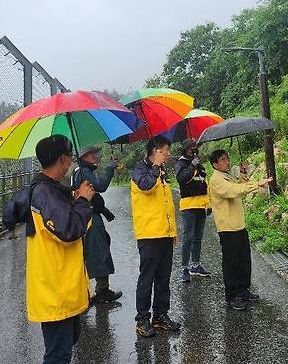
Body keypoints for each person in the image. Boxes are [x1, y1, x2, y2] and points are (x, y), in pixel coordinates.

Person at [27, 135, 95, 364]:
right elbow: (68, 230)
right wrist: (83, 201)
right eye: (71, 158)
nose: (72, 163)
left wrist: (76, 198)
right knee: (58, 354)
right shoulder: (45, 193)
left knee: (67, 342)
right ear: (63, 159)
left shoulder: (53, 189)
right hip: (56, 288)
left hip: (64, 284)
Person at [208, 150, 272, 310]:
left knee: (244, 261)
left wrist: (243, 173)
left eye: (227, 158)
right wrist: (256, 184)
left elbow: (238, 185)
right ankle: (232, 296)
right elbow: (233, 191)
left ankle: (243, 291)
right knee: (231, 263)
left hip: (239, 225)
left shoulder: (227, 176)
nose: (227, 162)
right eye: (223, 159)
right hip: (228, 228)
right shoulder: (216, 180)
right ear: (215, 164)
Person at [131, 135, 181, 338]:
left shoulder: (161, 171)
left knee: (163, 277)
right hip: (149, 234)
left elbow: (167, 203)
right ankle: (142, 319)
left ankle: (160, 316)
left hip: (165, 234)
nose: (168, 153)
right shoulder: (140, 170)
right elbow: (146, 186)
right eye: (166, 150)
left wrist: (173, 231)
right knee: (147, 278)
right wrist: (155, 167)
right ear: (156, 150)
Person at [72, 145, 122, 303]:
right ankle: (101, 291)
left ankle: (92, 291)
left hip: (87, 215)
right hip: (90, 217)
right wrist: (110, 168)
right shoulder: (84, 172)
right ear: (84, 157)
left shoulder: (80, 171)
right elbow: (101, 186)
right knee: (99, 251)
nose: (95, 157)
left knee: (95, 250)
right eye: (91, 154)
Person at [175, 138, 211, 283]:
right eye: (191, 148)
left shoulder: (198, 163)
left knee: (198, 237)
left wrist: (208, 204)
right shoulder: (180, 163)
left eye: (195, 147)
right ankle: (184, 267)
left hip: (201, 205)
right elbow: (181, 179)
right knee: (188, 237)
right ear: (185, 149)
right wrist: (192, 166)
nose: (194, 150)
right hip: (188, 205)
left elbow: (204, 182)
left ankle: (195, 265)